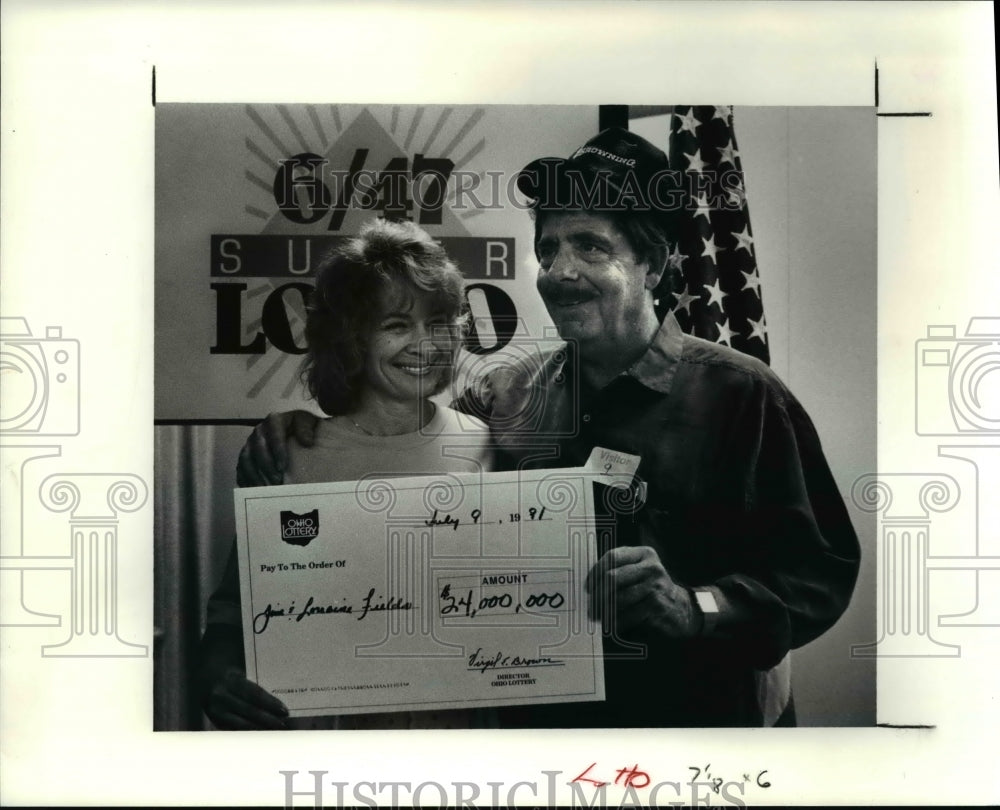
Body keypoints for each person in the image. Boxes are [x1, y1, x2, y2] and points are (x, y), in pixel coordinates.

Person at [237, 128, 861, 727]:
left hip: (684, 734)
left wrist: (693, 604)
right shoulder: (504, 393)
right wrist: (299, 434)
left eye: (590, 246)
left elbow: (818, 574)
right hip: (532, 734)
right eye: (547, 249)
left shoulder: (743, 394)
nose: (559, 271)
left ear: (652, 265)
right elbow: (411, 455)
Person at [199, 218, 493, 730]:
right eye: (397, 325)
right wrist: (216, 676)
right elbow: (232, 614)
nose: (425, 344)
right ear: (350, 337)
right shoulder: (288, 454)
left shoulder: (488, 444)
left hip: (454, 740)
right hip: (324, 744)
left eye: (439, 321)